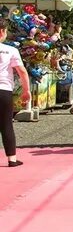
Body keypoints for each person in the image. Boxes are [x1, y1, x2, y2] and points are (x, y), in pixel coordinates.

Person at [0, 19, 31, 167]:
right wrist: (26, 91)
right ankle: (12, 159)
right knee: (6, 124)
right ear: (2, 32)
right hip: (4, 90)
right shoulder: (10, 50)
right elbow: (22, 72)